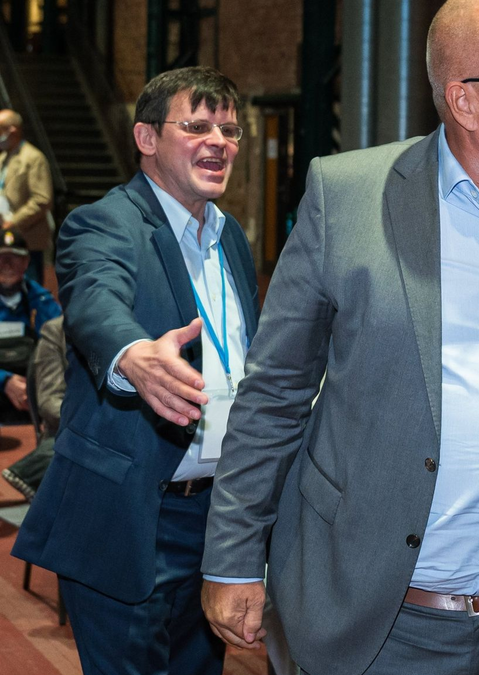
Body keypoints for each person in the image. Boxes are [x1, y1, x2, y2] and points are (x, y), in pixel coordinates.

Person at [199, 1, 479, 674]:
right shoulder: (345, 196)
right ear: (463, 100)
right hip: (386, 623)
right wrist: (232, 556)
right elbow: (275, 394)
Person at [13, 66, 258, 675]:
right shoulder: (105, 223)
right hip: (131, 520)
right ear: (146, 138)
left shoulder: (232, 240)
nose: (219, 142)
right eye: (197, 125)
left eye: (230, 130)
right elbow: (96, 301)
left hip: (217, 520)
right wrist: (131, 354)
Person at [1, 314, 65, 499]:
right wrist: (4, 379)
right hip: (71, 430)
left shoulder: (37, 298)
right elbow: (49, 402)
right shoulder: (58, 329)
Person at [0, 229, 61, 424]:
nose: (7, 264)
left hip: (33, 389)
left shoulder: (41, 300)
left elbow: (60, 345)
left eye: (15, 258)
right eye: (2, 257)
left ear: (26, 262)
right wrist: (5, 380)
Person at [0, 109, 54, 285]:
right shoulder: (3, 158)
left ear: (12, 130)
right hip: (5, 239)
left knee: (29, 289)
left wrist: (13, 222)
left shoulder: (33, 158)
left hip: (28, 240)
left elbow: (42, 199)